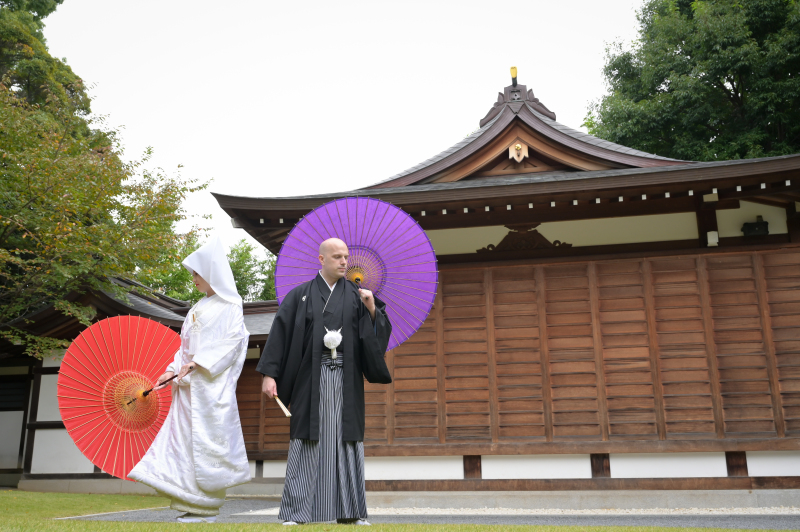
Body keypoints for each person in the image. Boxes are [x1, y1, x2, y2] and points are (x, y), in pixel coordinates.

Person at [258, 237, 392, 526]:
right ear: (321, 259)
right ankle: (297, 513)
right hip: (311, 378)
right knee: (308, 439)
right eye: (336, 257)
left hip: (346, 377)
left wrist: (371, 309)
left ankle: (351, 512)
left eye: (346, 256)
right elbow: (279, 335)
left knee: (347, 440)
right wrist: (270, 374)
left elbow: (376, 336)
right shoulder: (300, 295)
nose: (344, 261)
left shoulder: (359, 295)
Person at [129, 235, 251, 523]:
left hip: (210, 390)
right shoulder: (197, 308)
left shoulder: (231, 306)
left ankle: (206, 503)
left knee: (208, 443)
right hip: (187, 388)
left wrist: (199, 363)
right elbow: (184, 347)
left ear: (211, 273)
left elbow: (232, 343)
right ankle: (189, 499)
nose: (194, 278)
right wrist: (173, 368)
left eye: (197, 273)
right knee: (181, 442)